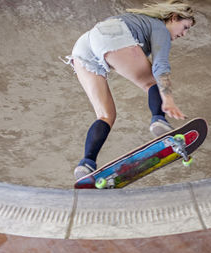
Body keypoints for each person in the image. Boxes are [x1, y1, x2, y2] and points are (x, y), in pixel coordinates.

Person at [61, 0, 196, 181]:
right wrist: (168, 99)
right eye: (185, 27)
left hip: (85, 45)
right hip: (112, 34)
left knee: (105, 116)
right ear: (173, 18)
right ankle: (158, 120)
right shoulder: (160, 28)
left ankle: (86, 163)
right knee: (151, 82)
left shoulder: (139, 20)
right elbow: (160, 65)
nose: (184, 34)